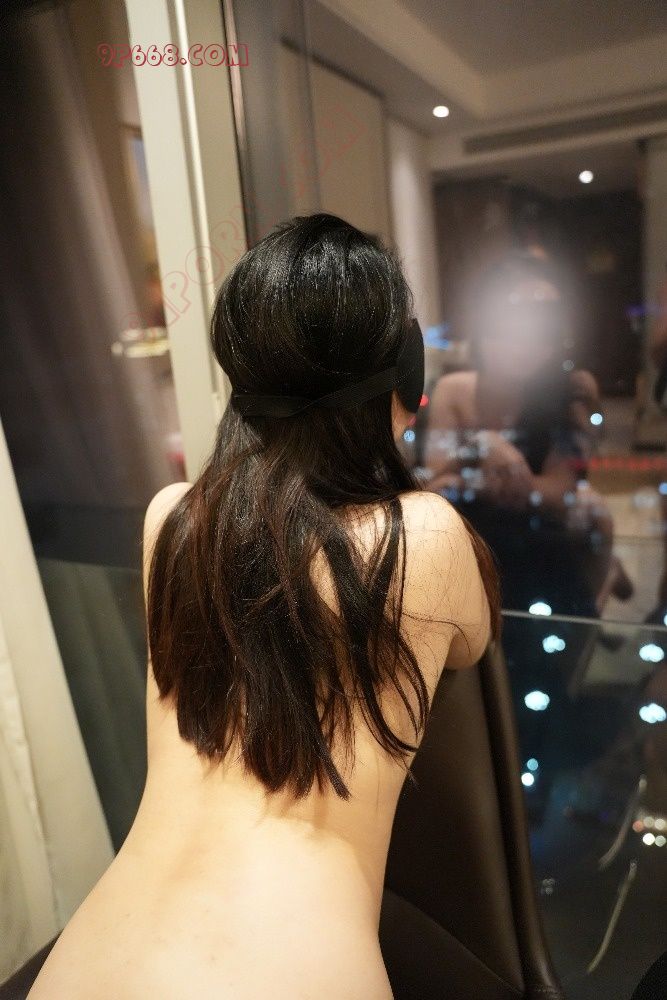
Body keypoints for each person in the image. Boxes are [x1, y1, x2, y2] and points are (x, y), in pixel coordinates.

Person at [29, 213, 498, 999]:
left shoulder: (173, 520)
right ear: (403, 369)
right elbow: (471, 647)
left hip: (87, 961)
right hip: (293, 970)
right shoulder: (420, 534)